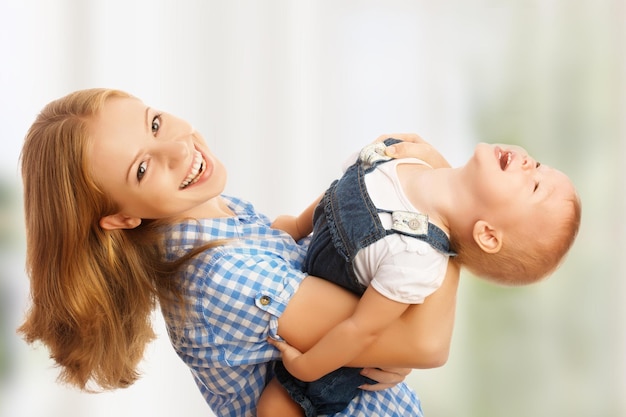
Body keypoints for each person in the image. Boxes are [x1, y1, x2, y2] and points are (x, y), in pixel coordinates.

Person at [18, 88, 462, 417]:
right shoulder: (220, 276)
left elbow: (314, 259)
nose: (177, 148)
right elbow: (424, 342)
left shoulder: (214, 213)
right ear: (120, 218)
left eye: (154, 123)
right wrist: (445, 205)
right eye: (142, 167)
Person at [258, 136, 582, 416]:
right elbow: (339, 194)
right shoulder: (408, 158)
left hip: (336, 347)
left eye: (535, 186)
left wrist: (307, 366)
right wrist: (300, 224)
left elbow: (361, 329)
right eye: (538, 165)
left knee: (275, 406)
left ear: (489, 236)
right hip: (309, 270)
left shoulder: (417, 256)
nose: (528, 164)